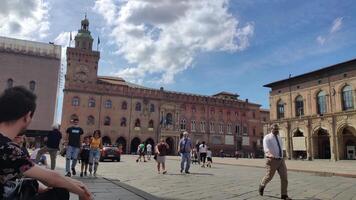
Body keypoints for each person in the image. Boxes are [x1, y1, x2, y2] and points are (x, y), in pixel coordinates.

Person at [0, 86, 92, 200]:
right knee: (60, 193)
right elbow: (52, 178)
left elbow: (42, 175)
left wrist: (73, 182)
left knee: (33, 183)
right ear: (27, 116)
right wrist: (83, 193)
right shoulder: (8, 148)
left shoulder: (7, 146)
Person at [259, 124, 291, 200]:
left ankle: (284, 195)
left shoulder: (279, 138)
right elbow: (266, 148)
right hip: (272, 160)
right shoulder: (267, 137)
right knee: (269, 177)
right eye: (275, 129)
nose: (277, 131)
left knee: (284, 177)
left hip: (280, 160)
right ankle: (262, 185)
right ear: (271, 129)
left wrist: (283, 155)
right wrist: (269, 154)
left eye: (277, 129)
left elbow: (280, 147)